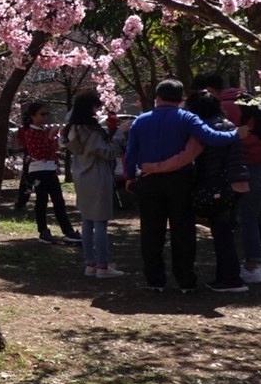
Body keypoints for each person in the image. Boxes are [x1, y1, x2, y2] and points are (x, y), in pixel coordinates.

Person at [125, 79, 247, 293]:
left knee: (151, 231)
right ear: (181, 98)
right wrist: (235, 134)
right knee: (183, 231)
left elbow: (131, 152)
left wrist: (130, 176)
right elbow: (212, 137)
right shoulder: (186, 118)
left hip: (149, 179)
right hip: (180, 180)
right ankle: (185, 280)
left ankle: (155, 280)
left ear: (158, 97)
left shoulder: (141, 120)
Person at [195, 72, 261, 283]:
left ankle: (252, 266)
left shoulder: (228, 106)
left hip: (257, 162)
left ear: (209, 89)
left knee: (247, 216)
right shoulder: (247, 97)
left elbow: (223, 135)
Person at [64, 91, 123, 278]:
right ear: (90, 108)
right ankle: (103, 266)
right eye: (97, 107)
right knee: (100, 222)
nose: (98, 111)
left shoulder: (71, 129)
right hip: (97, 177)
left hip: (81, 177)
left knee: (87, 221)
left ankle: (90, 263)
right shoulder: (91, 131)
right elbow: (107, 152)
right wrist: (119, 135)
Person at [17, 101, 82, 245]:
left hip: (50, 169)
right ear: (33, 116)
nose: (45, 117)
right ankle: (43, 231)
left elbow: (53, 150)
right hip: (38, 170)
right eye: (42, 114)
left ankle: (67, 231)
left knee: (58, 200)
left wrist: (55, 160)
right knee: (42, 200)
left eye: (47, 114)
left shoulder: (43, 130)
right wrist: (51, 138)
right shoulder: (30, 132)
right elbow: (39, 152)